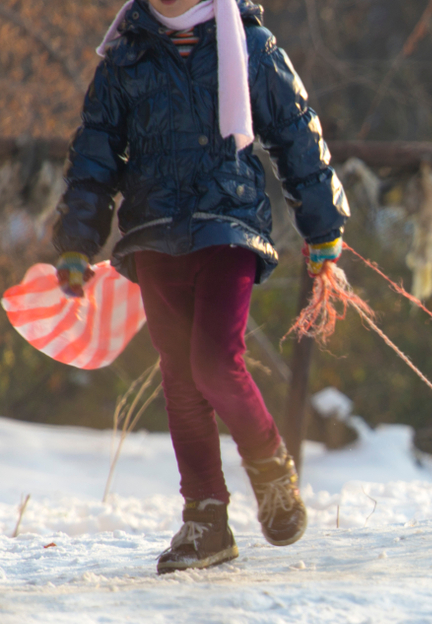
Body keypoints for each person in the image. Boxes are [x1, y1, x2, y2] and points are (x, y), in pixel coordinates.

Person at [52, 0, 349, 574]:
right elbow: (95, 151)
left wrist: (323, 226)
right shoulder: (124, 54)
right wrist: (75, 240)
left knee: (215, 362)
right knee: (181, 379)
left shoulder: (251, 45)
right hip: (154, 229)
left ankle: (270, 470)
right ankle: (206, 520)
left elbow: (295, 134)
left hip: (228, 224)